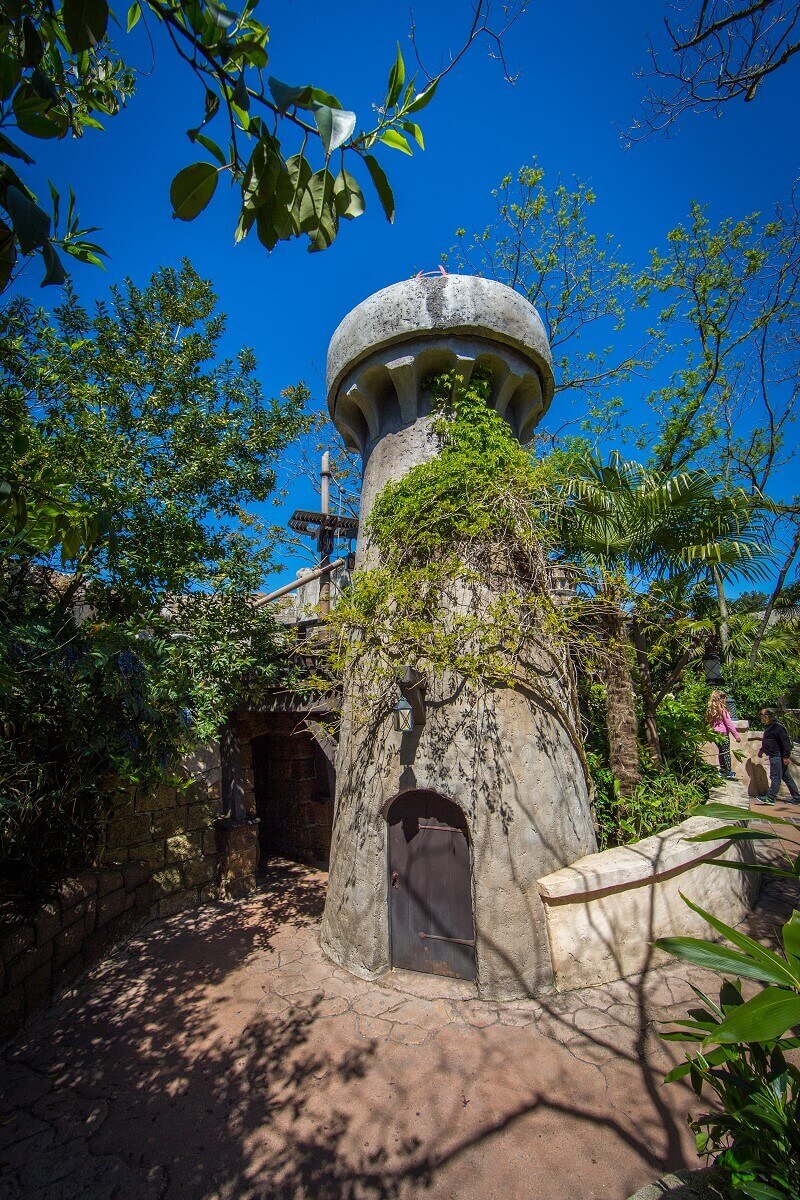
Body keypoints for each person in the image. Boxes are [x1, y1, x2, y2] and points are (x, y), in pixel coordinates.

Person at [757, 707, 800, 805]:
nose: (760, 717)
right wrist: (762, 750)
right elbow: (769, 741)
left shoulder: (777, 727)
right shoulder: (769, 727)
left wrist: (785, 757)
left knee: (775, 776)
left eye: (762, 715)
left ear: (767, 716)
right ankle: (796, 797)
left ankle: (771, 798)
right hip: (774, 755)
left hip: (777, 756)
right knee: (786, 777)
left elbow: (786, 744)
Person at [706, 690, 740, 781]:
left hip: (715, 734)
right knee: (726, 752)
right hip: (723, 734)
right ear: (721, 699)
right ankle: (728, 771)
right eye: (724, 698)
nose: (726, 700)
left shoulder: (712, 710)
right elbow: (729, 723)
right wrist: (736, 735)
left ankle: (722, 770)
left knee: (721, 752)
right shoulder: (723, 710)